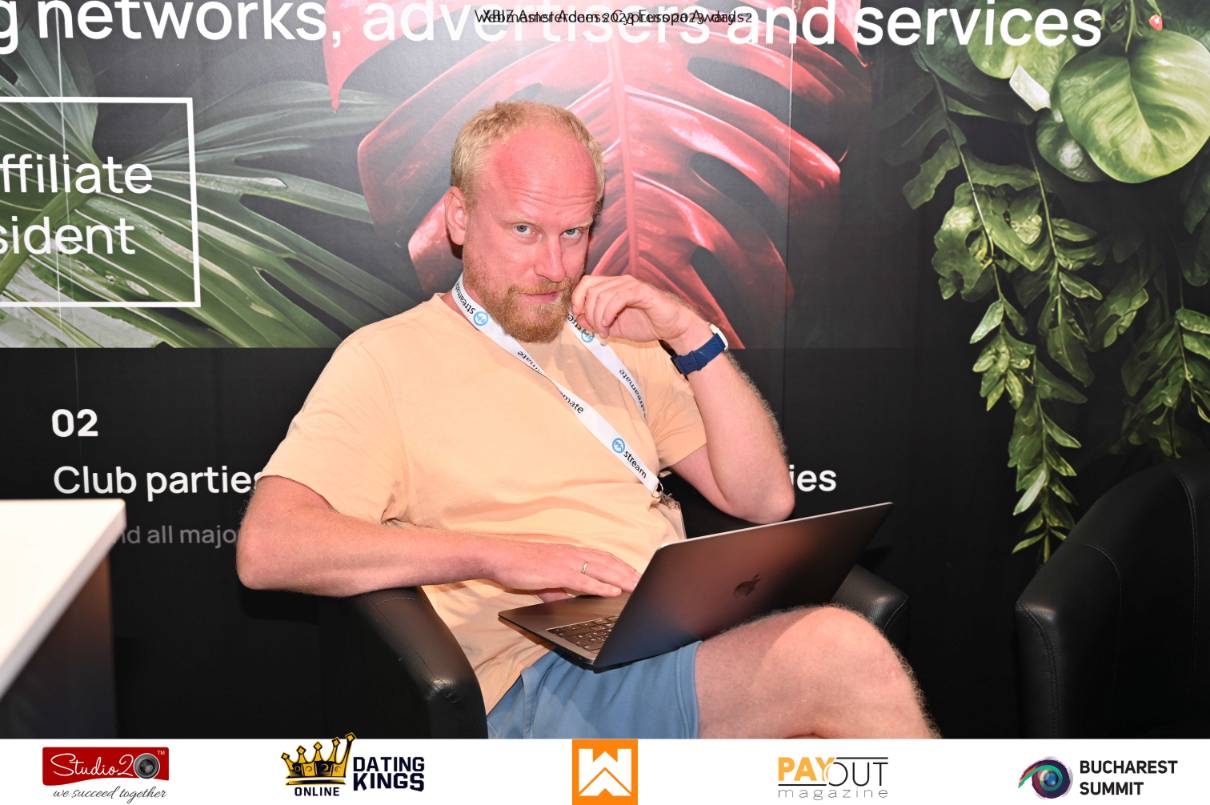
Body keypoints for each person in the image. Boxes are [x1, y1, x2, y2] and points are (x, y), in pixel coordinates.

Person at [237, 100, 936, 739]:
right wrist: (495, 554)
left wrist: (691, 335)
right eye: (524, 230)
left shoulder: (615, 339)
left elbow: (764, 498)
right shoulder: (385, 359)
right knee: (836, 653)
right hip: (544, 680)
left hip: (668, 641)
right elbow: (269, 548)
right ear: (458, 217)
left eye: (573, 232)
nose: (554, 266)